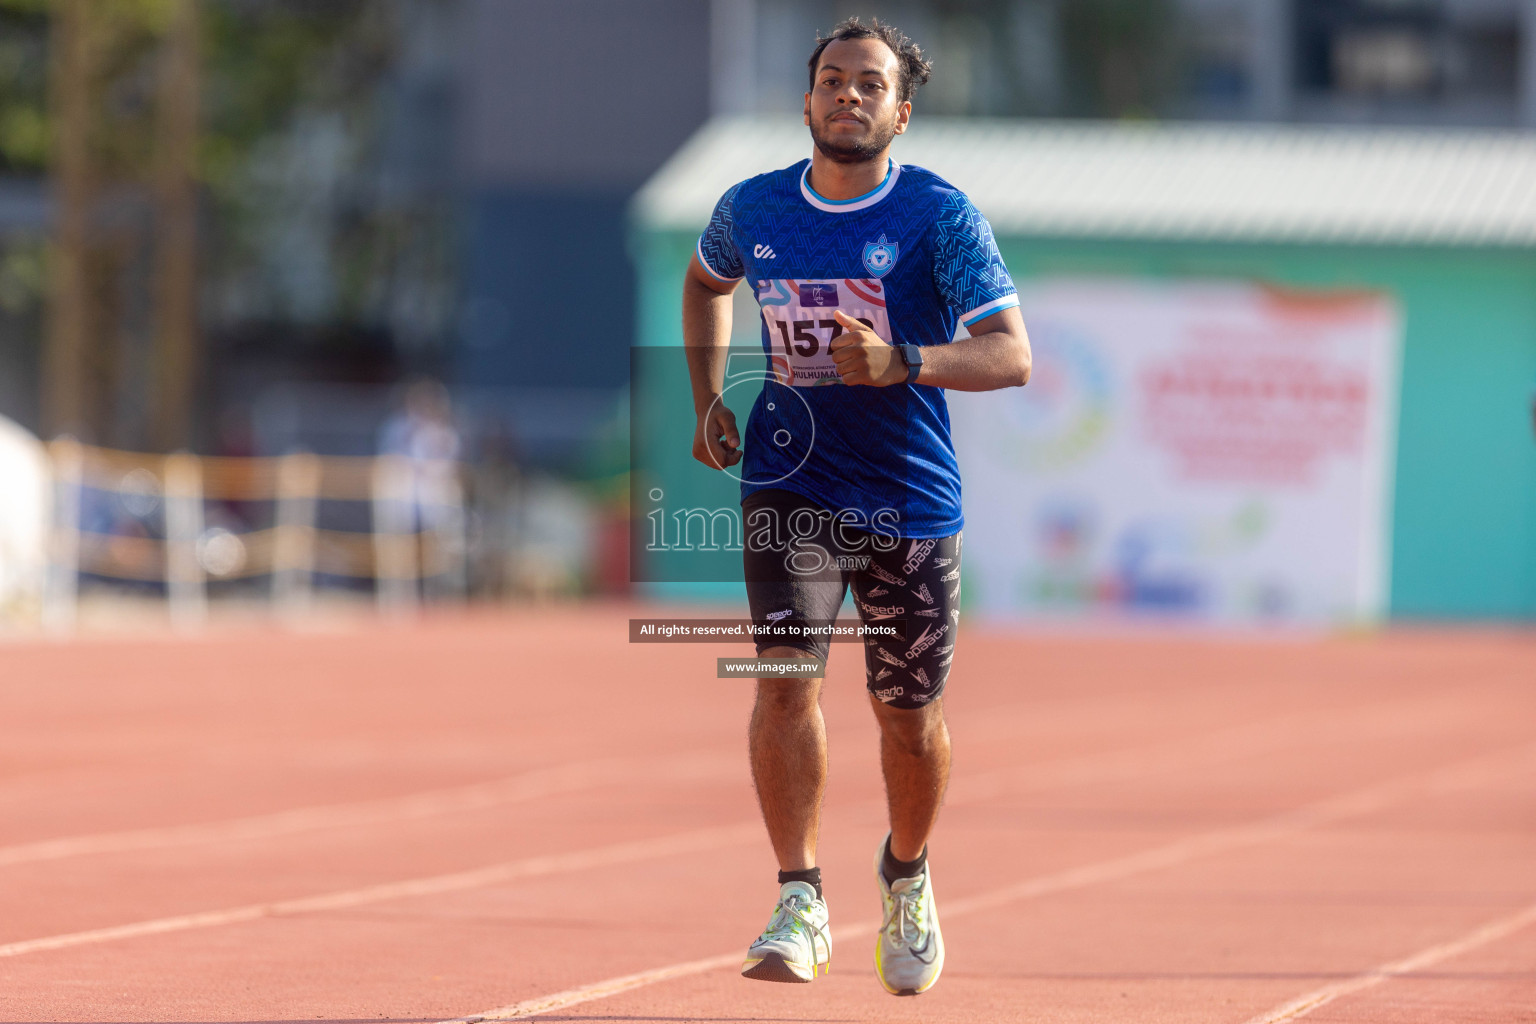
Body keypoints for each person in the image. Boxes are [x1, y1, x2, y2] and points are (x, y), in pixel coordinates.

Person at [681, 17, 1031, 996]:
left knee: (907, 716)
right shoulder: (751, 207)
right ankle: (799, 894)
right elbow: (706, 282)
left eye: (869, 84)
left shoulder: (938, 215)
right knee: (786, 679)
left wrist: (903, 360)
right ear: (806, 102)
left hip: (912, 499)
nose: (848, 95)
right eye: (832, 80)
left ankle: (907, 871)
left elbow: (1012, 354)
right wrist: (707, 397)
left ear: (900, 112)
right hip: (791, 480)